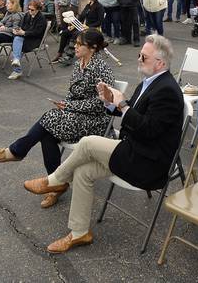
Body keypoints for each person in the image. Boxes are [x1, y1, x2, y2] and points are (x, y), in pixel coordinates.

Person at [21, 35, 183, 253]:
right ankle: (80, 233)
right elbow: (131, 115)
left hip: (147, 164)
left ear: (160, 63)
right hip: (131, 152)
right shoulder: (150, 82)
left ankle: (54, 181)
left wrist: (123, 104)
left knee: (87, 143)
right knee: (83, 172)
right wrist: (109, 102)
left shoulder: (168, 91)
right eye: (139, 55)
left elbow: (148, 130)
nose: (138, 59)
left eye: (143, 57)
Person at [0, 30, 114, 208]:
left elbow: (103, 104)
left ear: (93, 48)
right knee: (48, 133)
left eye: (80, 44)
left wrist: (70, 107)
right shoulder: (79, 64)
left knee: (49, 119)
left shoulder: (102, 69)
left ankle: (18, 151)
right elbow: (72, 94)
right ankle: (55, 185)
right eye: (75, 43)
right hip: (76, 117)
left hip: (96, 122)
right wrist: (66, 103)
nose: (75, 47)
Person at [54, 0, 104, 64]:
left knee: (76, 34)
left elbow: (99, 21)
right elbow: (81, 17)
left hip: (92, 29)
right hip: (83, 27)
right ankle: (60, 52)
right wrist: (73, 25)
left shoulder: (99, 7)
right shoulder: (88, 5)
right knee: (65, 32)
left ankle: (69, 55)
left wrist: (88, 26)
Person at [7, 0, 47, 80]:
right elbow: (22, 26)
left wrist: (24, 32)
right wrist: (18, 30)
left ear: (38, 9)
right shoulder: (27, 15)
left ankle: (17, 68)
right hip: (26, 37)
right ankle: (17, 62)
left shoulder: (41, 18)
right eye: (29, 9)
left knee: (17, 44)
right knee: (17, 39)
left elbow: (37, 33)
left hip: (35, 40)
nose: (30, 11)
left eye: (32, 10)